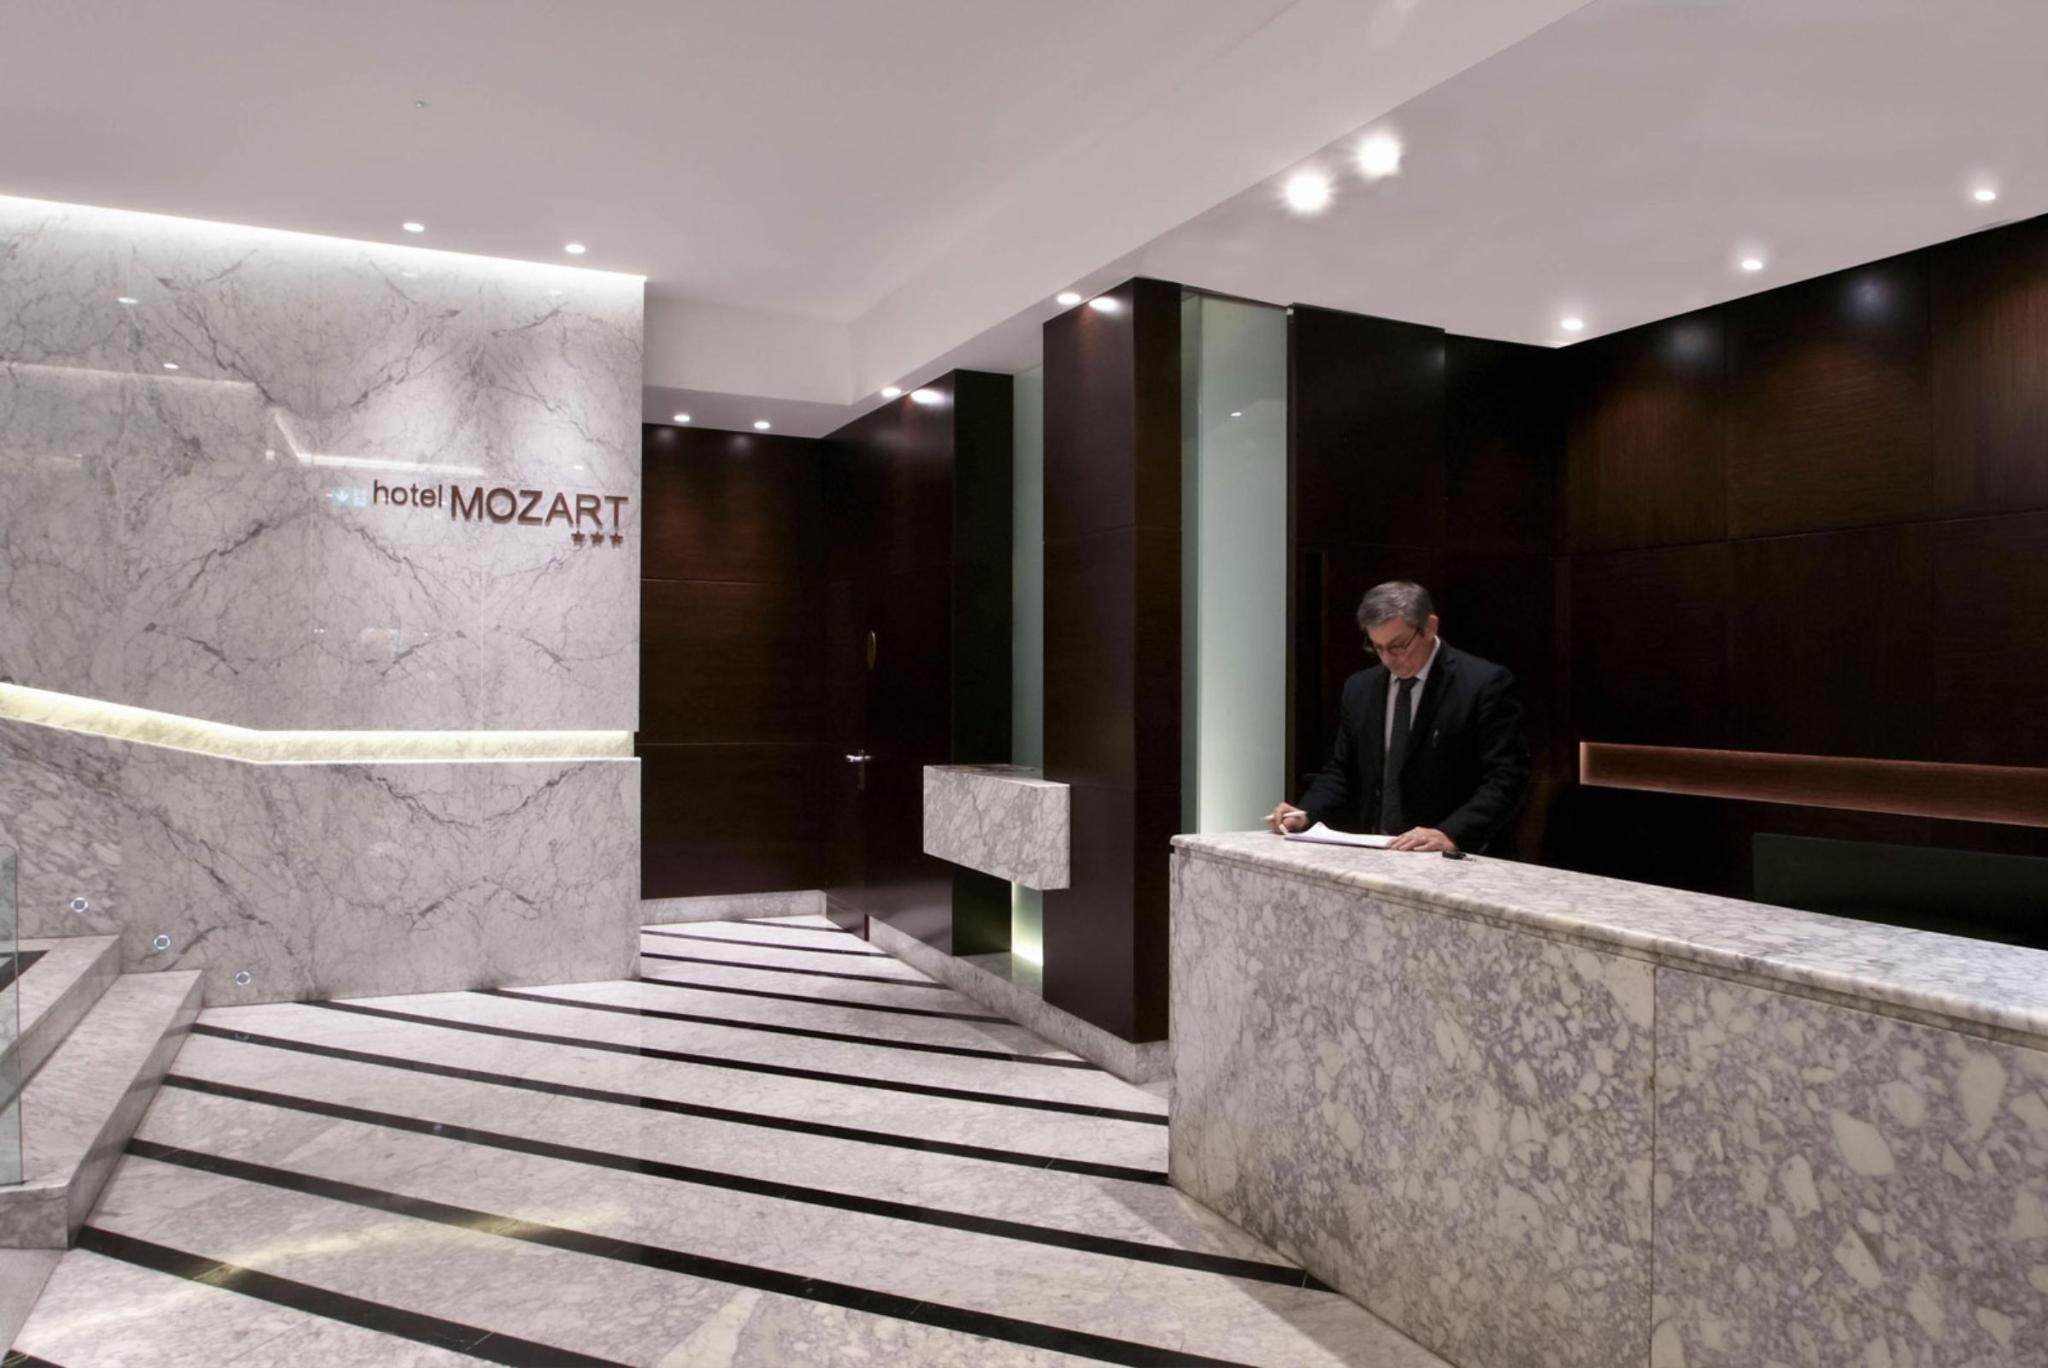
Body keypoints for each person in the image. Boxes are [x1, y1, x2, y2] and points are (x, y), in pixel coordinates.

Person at [1268, 581, 1530, 854]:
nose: (1388, 659)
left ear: (1429, 627)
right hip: (1381, 852)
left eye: (1398, 646)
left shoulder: (1483, 684)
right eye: (1377, 647)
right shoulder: (1360, 688)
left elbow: (1507, 777)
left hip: (1455, 855)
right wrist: (1305, 812)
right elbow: (1343, 770)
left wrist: (1452, 833)